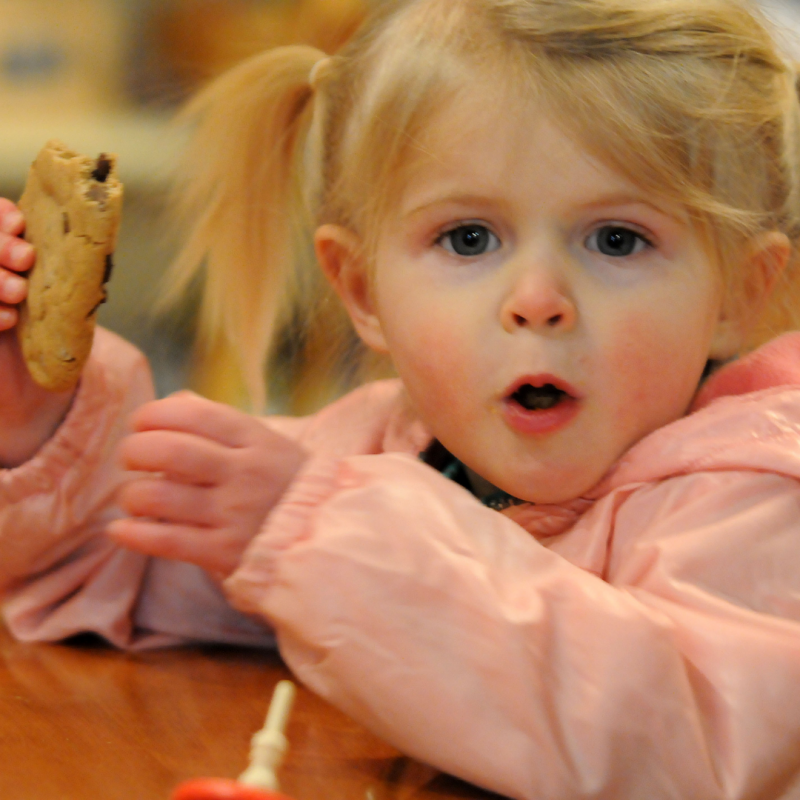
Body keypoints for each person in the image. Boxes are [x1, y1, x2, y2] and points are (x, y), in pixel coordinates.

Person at [2, 0, 800, 796]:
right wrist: (31, 419)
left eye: (617, 239)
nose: (537, 298)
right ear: (363, 290)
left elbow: (681, 749)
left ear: (737, 294)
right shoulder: (371, 451)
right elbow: (113, 577)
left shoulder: (757, 501)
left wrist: (321, 540)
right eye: (469, 238)